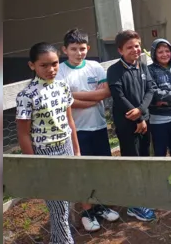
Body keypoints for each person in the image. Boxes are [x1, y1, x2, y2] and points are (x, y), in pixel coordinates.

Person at [15, 43, 80, 244]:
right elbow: (23, 134)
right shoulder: (27, 96)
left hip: (66, 147)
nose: (51, 69)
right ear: (32, 65)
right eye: (44, 65)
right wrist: (35, 163)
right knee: (57, 204)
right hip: (45, 152)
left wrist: (76, 151)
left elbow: (69, 121)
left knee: (66, 199)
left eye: (54, 64)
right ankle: (65, 241)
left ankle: (57, 239)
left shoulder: (62, 87)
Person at [57, 29, 119, 231]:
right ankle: (87, 211)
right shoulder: (60, 71)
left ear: (88, 48)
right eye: (73, 49)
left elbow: (105, 92)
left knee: (101, 167)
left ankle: (101, 206)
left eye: (82, 49)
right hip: (76, 131)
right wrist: (87, 98)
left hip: (99, 126)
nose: (78, 53)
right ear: (64, 50)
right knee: (83, 171)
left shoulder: (94, 67)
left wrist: (75, 96)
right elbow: (66, 102)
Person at [106, 29, 157, 222]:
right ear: (120, 50)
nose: (135, 50)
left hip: (143, 121)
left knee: (144, 158)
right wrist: (138, 118)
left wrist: (142, 112)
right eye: (129, 47)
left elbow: (150, 90)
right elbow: (119, 97)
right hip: (128, 125)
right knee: (132, 161)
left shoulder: (142, 66)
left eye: (137, 45)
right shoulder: (114, 71)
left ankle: (143, 196)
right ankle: (134, 205)